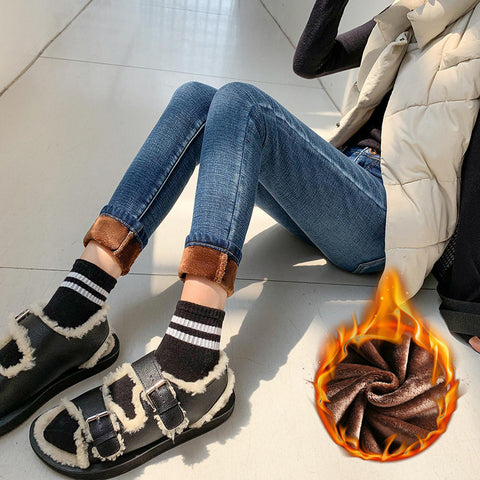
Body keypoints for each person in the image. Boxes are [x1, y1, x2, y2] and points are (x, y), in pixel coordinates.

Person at [0, 0, 478, 477]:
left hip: (387, 214)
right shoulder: (414, 13)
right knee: (196, 98)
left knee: (242, 102)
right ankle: (77, 310)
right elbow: (312, 62)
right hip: (344, 180)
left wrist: (469, 304)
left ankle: (191, 360)